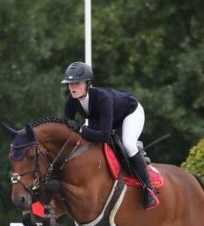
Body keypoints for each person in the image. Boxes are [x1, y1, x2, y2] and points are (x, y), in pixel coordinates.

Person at [61, 61, 159, 210]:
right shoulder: (71, 101)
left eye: (76, 83)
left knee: (128, 144)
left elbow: (104, 135)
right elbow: (67, 127)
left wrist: (80, 129)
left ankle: (149, 189)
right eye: (70, 83)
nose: (72, 87)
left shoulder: (102, 99)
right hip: (102, 119)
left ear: (87, 83)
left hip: (130, 112)